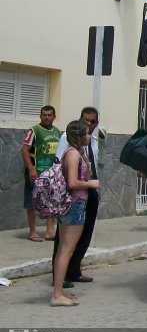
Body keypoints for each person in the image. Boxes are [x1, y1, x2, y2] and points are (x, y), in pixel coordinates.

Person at [51, 120, 99, 307]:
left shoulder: (75, 153)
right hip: (75, 204)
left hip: (74, 204)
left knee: (64, 249)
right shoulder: (72, 154)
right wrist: (91, 184)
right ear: (78, 135)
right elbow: (72, 182)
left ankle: (59, 292)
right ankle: (57, 295)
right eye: (86, 133)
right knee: (66, 250)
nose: (89, 136)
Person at [20, 105, 60, 242]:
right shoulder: (34, 131)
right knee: (32, 201)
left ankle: (50, 231)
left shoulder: (57, 132)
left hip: (51, 173)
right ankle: (32, 231)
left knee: (52, 201)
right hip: (36, 172)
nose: (47, 117)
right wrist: (31, 169)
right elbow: (25, 149)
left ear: (54, 117)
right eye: (44, 115)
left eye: (49, 115)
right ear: (40, 116)